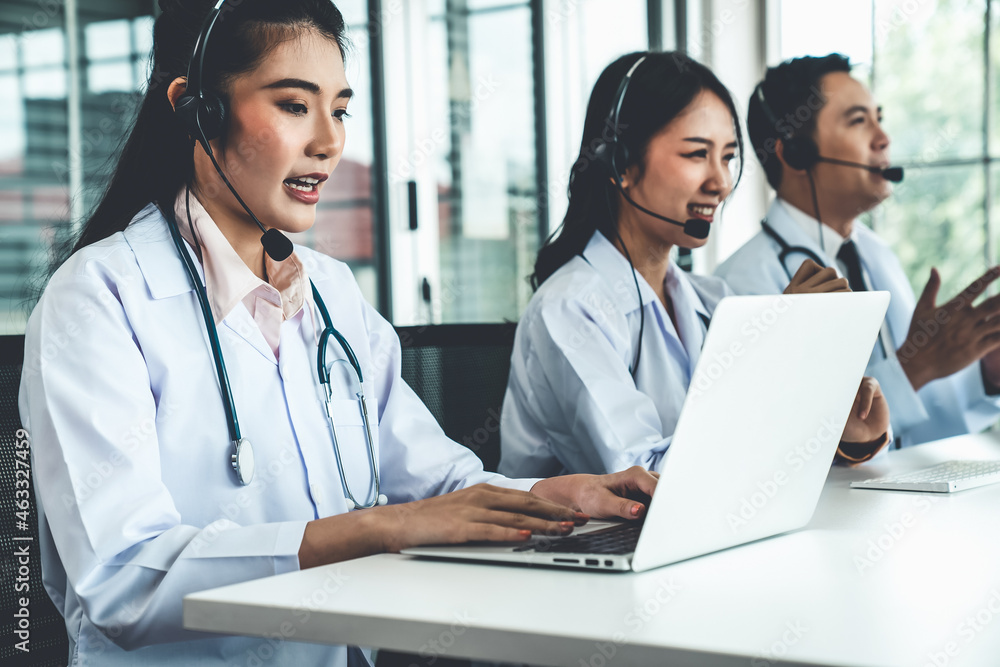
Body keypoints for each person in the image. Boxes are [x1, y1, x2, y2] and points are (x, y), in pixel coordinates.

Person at [17, 2, 658, 665]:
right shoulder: (98, 298)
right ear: (197, 111)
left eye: (341, 109)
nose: (329, 141)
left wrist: (551, 496)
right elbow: (123, 579)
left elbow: (434, 486)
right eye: (295, 105)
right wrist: (374, 528)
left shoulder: (328, 289)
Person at [499, 51, 890, 479]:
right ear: (622, 163)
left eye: (727, 157)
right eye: (696, 154)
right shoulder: (569, 309)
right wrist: (773, 353)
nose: (720, 183)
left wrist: (844, 433)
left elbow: (752, 456)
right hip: (588, 541)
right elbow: (649, 477)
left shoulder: (714, 299)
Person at [714, 53, 1000, 447]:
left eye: (878, 118)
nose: (884, 138)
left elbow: (917, 418)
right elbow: (785, 446)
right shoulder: (742, 285)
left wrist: (986, 372)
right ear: (795, 152)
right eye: (858, 121)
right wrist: (918, 365)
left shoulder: (876, 254)